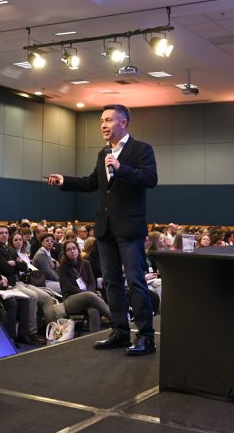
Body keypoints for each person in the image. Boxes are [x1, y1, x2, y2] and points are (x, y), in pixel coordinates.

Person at [47, 103, 158, 356]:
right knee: (112, 283)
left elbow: (150, 178)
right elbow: (91, 182)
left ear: (123, 123)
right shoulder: (103, 153)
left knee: (135, 282)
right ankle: (120, 331)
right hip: (106, 229)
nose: (103, 125)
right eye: (101, 121)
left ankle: (146, 336)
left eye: (108, 120)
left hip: (129, 228)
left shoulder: (141, 149)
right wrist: (65, 180)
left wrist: (121, 168)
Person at [57, 240, 112, 332]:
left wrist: (89, 293)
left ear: (78, 250)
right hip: (70, 299)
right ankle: (113, 317)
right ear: (65, 253)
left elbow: (92, 283)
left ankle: (94, 336)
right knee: (89, 295)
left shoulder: (86, 263)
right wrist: (87, 293)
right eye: (68, 249)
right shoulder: (62, 268)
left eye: (74, 248)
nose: (72, 251)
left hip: (88, 296)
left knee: (94, 310)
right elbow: (68, 288)